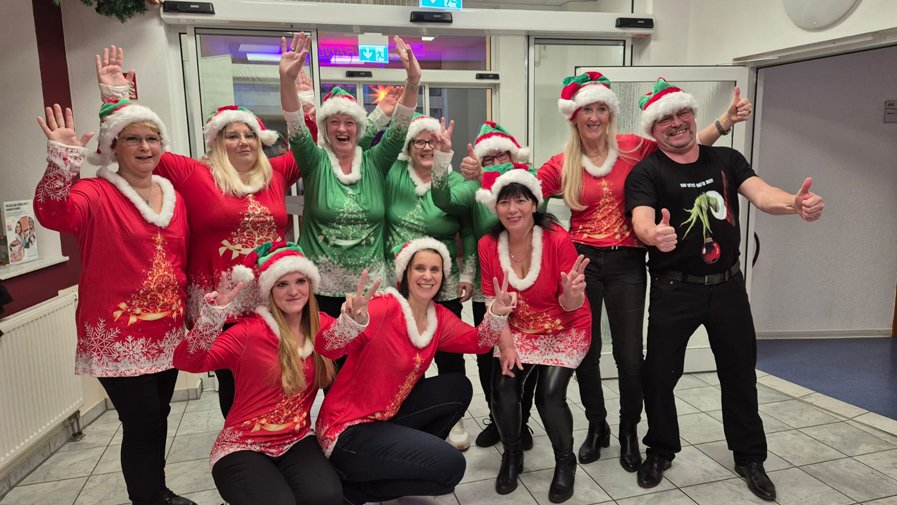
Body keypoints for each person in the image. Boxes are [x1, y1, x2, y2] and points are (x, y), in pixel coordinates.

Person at [537, 71, 753, 469]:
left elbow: (686, 147)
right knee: (586, 353)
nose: (595, 116)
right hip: (581, 262)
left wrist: (723, 123)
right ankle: (597, 425)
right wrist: (485, 172)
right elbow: (523, 193)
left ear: (610, 113)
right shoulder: (560, 163)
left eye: (602, 108)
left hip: (627, 262)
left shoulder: (634, 148)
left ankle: (629, 431)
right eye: (588, 109)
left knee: (629, 355)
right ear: (574, 116)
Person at [625, 78, 824, 501]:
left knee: (739, 375)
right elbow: (642, 217)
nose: (676, 124)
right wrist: (651, 235)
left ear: (692, 116)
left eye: (682, 115)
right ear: (653, 130)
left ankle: (750, 457)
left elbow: (762, 193)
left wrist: (795, 204)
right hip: (673, 289)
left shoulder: (726, 159)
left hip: (728, 287)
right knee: (659, 375)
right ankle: (660, 449)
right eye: (664, 120)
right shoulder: (647, 171)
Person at [95, 44, 311, 418]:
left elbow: (311, 146)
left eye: (249, 135)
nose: (242, 141)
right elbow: (141, 145)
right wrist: (119, 97)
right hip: (221, 305)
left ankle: (280, 439)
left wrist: (301, 97)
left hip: (275, 299)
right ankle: (241, 449)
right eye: (231, 135)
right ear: (215, 142)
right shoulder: (194, 174)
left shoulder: (276, 173)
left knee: (277, 375)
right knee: (233, 383)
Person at [33, 102, 194, 505]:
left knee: (158, 420)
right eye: (133, 138)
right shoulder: (94, 192)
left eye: (152, 137)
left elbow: (180, 260)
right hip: (117, 336)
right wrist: (62, 160)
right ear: (112, 146)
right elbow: (53, 213)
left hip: (166, 333)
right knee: (141, 424)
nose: (144, 146)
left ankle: (156, 491)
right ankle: (149, 498)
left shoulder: (174, 196)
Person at [314, 237, 516, 504]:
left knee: (457, 387)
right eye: (420, 268)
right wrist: (351, 322)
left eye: (435, 270)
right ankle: (353, 491)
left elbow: (479, 343)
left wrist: (497, 313)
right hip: (348, 431)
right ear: (406, 273)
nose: (427, 276)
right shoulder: (383, 307)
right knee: (450, 469)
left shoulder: (439, 317)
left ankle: (398, 460)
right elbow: (327, 347)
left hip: (387, 418)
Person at [173, 241, 371, 505]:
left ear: (310, 285)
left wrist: (356, 318)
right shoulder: (248, 333)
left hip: (296, 439)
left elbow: (352, 344)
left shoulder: (322, 325)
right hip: (243, 445)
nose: (293, 291)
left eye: (300, 281)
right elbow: (187, 362)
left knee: (328, 497)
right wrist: (212, 317)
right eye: (282, 284)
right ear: (269, 290)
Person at [279, 32, 420, 317]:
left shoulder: (375, 162)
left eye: (348, 123)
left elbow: (399, 128)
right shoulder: (315, 162)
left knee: (368, 360)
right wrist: (287, 81)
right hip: (320, 291)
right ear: (325, 128)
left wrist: (413, 83)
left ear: (359, 128)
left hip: (370, 292)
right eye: (334, 122)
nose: (342, 129)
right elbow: (294, 124)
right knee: (327, 361)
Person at [476, 163, 591, 503]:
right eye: (505, 202)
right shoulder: (488, 245)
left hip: (565, 326)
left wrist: (572, 293)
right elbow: (493, 305)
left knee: (548, 397)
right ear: (495, 207)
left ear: (535, 203)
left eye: (520, 200)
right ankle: (512, 455)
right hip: (518, 328)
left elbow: (572, 304)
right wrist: (507, 346)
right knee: (503, 388)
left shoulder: (556, 240)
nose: (513, 209)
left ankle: (565, 461)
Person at [431, 121, 539, 451]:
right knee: (486, 356)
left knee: (526, 354)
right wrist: (443, 160)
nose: (496, 163)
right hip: (486, 288)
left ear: (514, 155)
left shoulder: (527, 184)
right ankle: (497, 417)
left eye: (502, 156)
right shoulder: (473, 186)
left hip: (526, 284)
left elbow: (541, 215)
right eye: (488, 159)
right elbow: (443, 199)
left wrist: (504, 175)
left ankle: (521, 419)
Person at [384, 113, 477, 449]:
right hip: (402, 286)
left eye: (433, 141)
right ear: (408, 147)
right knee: (406, 353)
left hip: (444, 283)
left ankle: (454, 417)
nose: (427, 147)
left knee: (449, 352)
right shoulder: (393, 174)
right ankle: (412, 415)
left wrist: (467, 273)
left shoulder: (453, 182)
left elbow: (468, 230)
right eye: (420, 141)